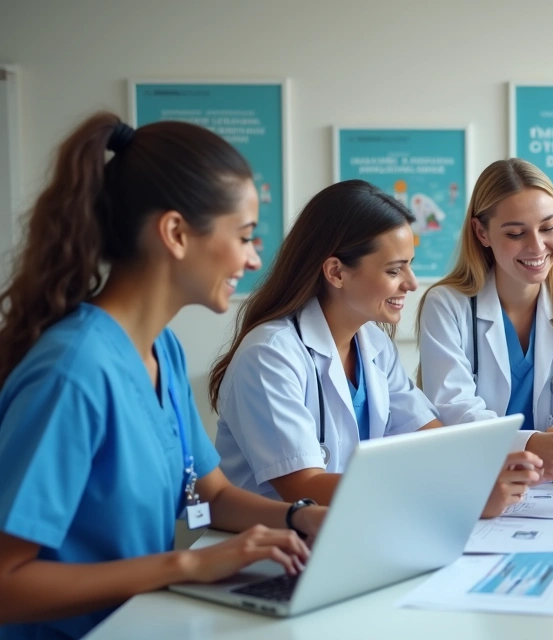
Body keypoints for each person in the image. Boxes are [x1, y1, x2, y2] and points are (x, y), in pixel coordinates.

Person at [0, 113, 326, 639]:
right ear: (175, 233)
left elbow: (207, 495)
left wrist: (299, 517)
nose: (252, 258)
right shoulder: (73, 372)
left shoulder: (162, 351)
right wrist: (189, 565)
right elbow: (6, 583)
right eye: (244, 236)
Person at [210, 180, 541, 516]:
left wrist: (489, 467)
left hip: (351, 532)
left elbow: (431, 438)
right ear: (336, 272)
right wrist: (458, 494)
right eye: (394, 270)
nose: (412, 283)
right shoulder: (270, 355)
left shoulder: (373, 344)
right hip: (270, 551)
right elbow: (304, 487)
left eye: (410, 265)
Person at [417, 159, 553, 481]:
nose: (536, 246)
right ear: (481, 232)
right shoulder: (447, 305)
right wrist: (531, 444)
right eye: (516, 233)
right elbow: (453, 406)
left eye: (548, 227)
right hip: (475, 477)